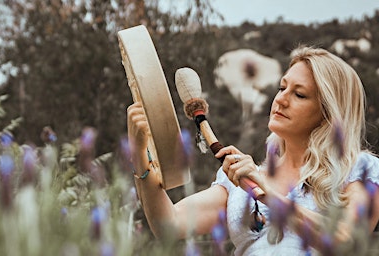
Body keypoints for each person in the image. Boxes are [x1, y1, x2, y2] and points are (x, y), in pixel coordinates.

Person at [126, 46, 379, 255]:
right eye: (282, 88)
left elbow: (348, 241)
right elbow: (168, 223)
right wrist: (139, 154)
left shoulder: (360, 169)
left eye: (299, 94)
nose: (281, 99)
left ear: (328, 113)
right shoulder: (238, 179)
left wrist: (268, 194)